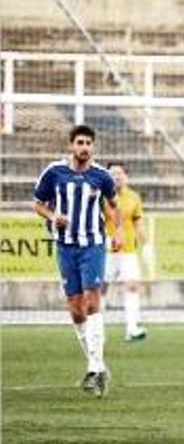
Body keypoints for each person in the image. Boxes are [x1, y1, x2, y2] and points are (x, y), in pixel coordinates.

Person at [33, 125, 122, 398]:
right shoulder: (54, 172)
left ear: (93, 147)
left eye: (88, 143)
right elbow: (38, 203)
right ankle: (97, 365)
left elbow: (113, 206)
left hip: (93, 245)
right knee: (75, 310)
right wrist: (52, 217)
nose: (84, 147)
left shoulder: (101, 176)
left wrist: (116, 231)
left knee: (93, 300)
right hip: (65, 247)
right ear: (71, 145)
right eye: (80, 142)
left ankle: (94, 369)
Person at [103, 162, 148, 342]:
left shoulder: (133, 197)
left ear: (125, 176)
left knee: (132, 285)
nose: (117, 176)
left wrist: (146, 244)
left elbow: (138, 221)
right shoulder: (101, 197)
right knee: (100, 289)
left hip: (128, 250)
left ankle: (132, 329)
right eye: (112, 174)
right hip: (107, 251)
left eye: (119, 173)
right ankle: (97, 331)